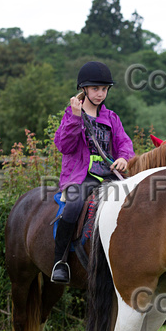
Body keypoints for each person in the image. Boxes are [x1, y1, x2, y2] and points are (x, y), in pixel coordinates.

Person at [51, 61, 135, 284]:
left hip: (108, 176)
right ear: (84, 89)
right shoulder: (72, 114)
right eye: (96, 89)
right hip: (80, 177)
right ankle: (60, 262)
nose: (101, 94)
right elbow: (64, 146)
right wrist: (76, 118)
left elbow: (124, 143)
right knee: (74, 206)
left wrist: (123, 158)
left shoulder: (111, 118)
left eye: (105, 89)